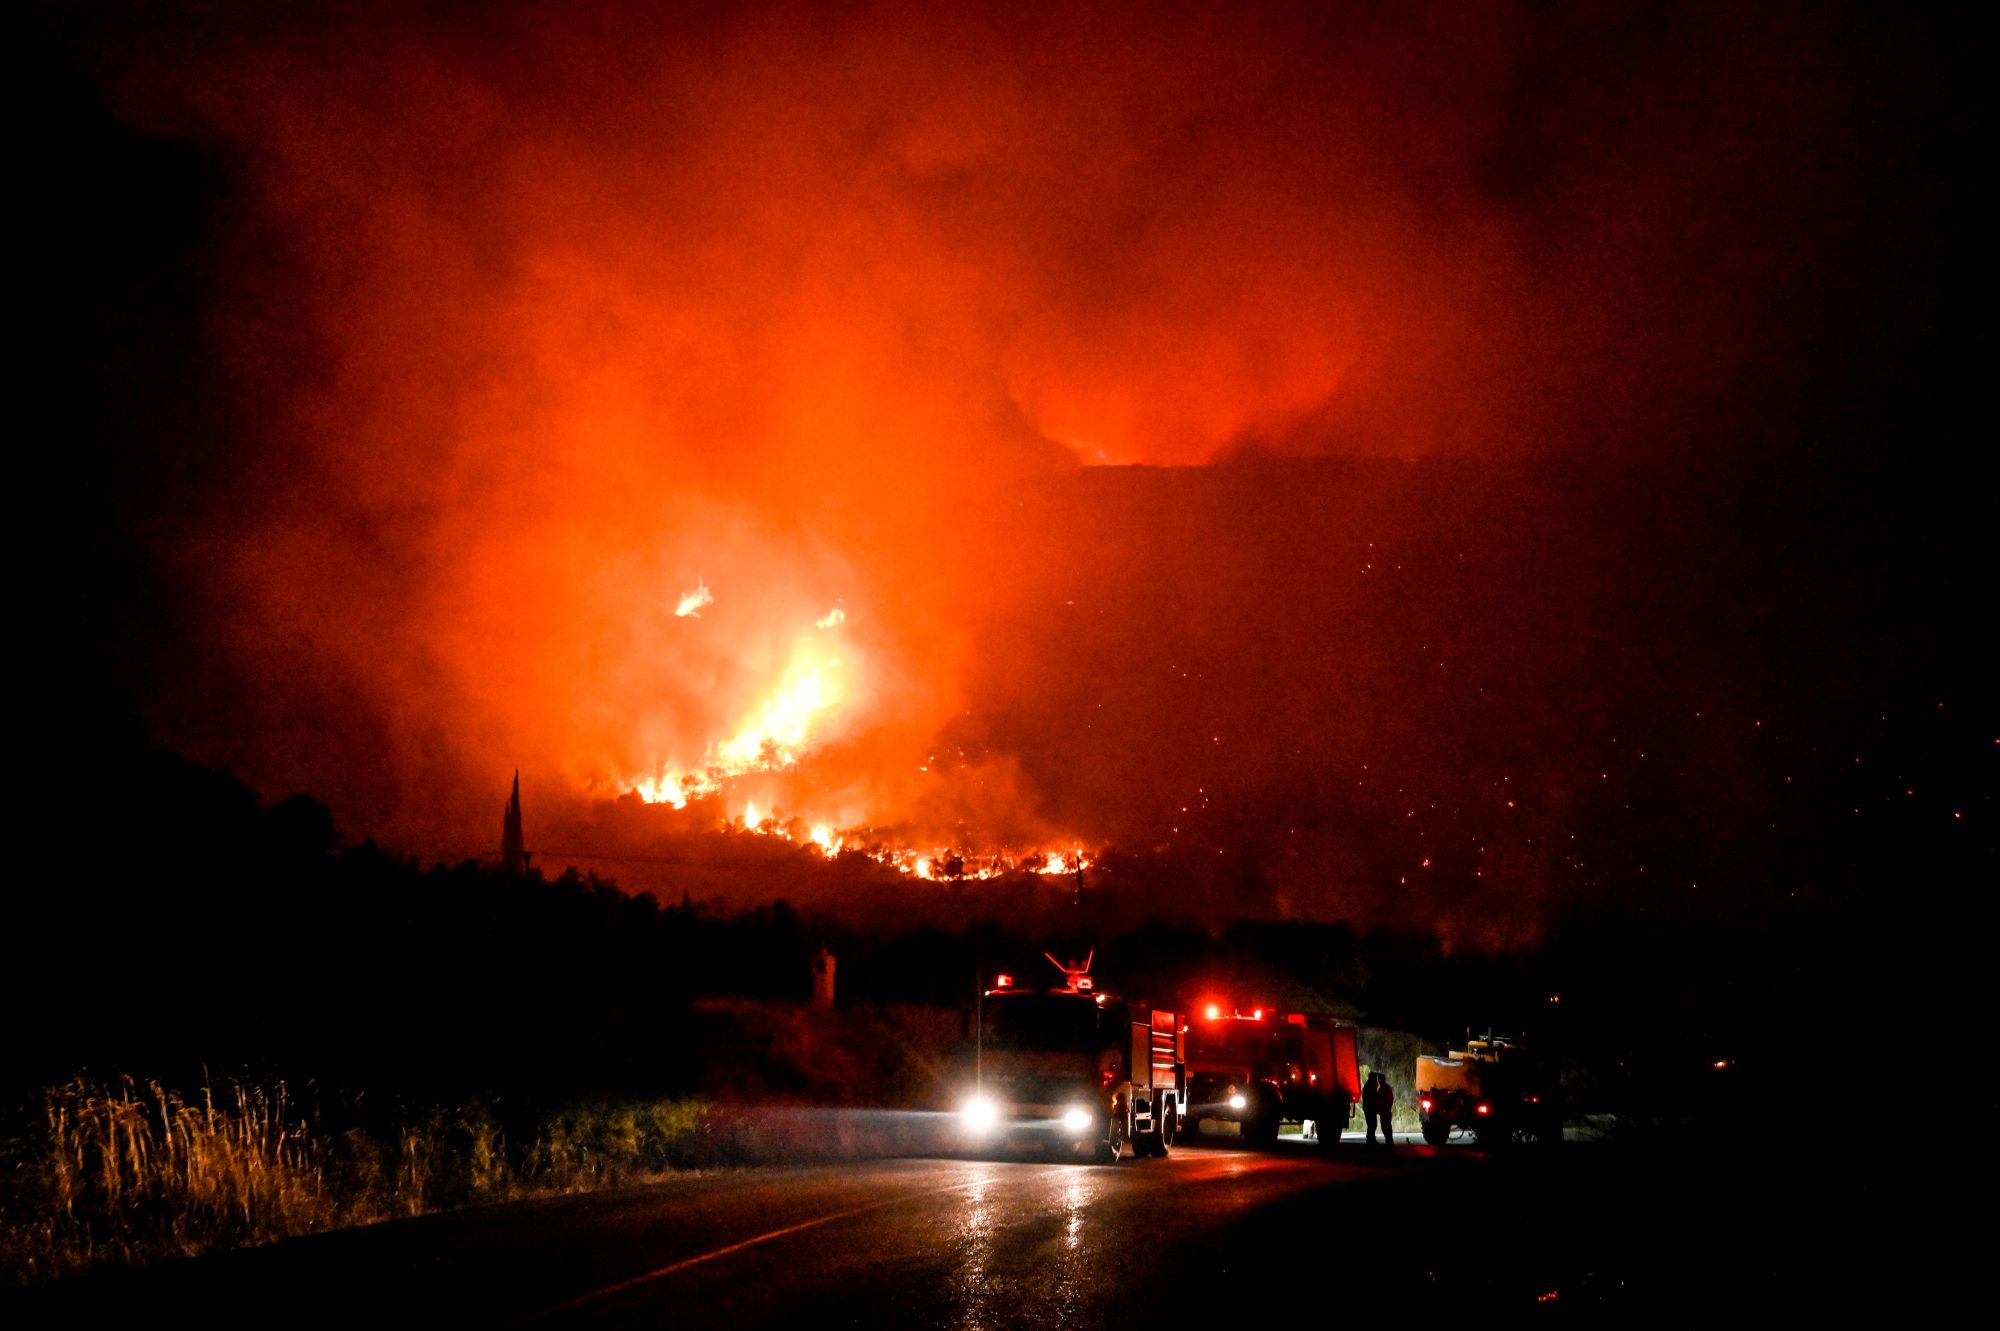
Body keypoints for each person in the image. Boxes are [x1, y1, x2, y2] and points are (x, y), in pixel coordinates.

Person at [1362, 1071, 1395, 1146]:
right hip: (1375, 1110)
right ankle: (1372, 1140)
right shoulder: (1374, 1087)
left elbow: (1384, 1100)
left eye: (1378, 1079)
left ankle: (1387, 1141)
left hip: (1383, 1111)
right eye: (1376, 1079)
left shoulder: (1383, 1088)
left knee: (1383, 1125)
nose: (1377, 1080)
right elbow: (1374, 1099)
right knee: (1374, 1125)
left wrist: (1381, 1108)